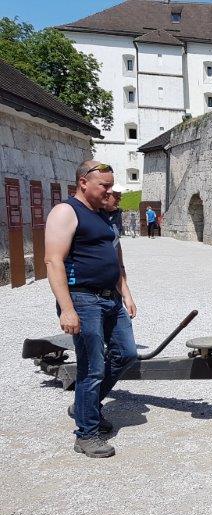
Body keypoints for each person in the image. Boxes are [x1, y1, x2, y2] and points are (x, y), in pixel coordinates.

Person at [44, 160, 138, 458]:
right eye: (105, 186)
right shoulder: (66, 212)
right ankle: (86, 434)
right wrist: (66, 309)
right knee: (92, 366)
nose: (109, 191)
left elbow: (116, 257)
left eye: (111, 185)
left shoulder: (104, 216)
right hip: (83, 299)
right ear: (83, 182)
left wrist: (126, 292)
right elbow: (53, 261)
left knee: (126, 353)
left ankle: (86, 405)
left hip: (110, 297)